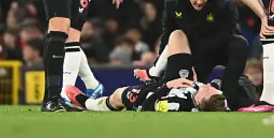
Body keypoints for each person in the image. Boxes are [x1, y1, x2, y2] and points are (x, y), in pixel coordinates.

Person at [134, 0, 253, 110]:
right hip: (192, 49)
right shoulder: (173, 0)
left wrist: (196, 50)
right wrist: (165, 59)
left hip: (217, 47)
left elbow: (227, 34)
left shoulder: (224, 3)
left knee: (240, 44)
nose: (199, 1)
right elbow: (168, 33)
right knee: (176, 37)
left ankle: (228, 96)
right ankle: (157, 79)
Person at [64, 29, 228, 112]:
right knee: (178, 35)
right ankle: (153, 73)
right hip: (181, 81)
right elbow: (218, 92)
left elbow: (150, 106)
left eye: (207, 89)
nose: (208, 86)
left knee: (118, 96)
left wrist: (169, 85)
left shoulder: (177, 105)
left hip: (147, 95)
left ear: (199, 102)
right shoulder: (216, 99)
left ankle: (85, 102)